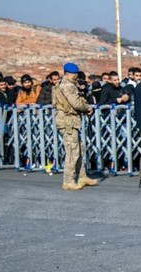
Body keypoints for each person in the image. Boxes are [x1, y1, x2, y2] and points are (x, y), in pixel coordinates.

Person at [52, 63, 97, 191]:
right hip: (68, 120)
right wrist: (87, 108)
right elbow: (76, 103)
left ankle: (81, 176)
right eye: (75, 74)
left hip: (70, 120)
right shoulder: (68, 86)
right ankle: (68, 180)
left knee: (79, 149)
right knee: (72, 151)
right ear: (70, 73)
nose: (77, 76)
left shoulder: (63, 84)